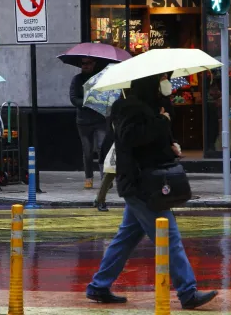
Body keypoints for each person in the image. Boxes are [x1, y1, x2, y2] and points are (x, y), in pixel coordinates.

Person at [86, 75, 217, 310]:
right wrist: (161, 121)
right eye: (162, 81)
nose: (165, 84)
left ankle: (99, 286)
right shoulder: (128, 107)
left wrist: (170, 144)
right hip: (141, 184)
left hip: (147, 182)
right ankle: (188, 292)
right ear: (150, 84)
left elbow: (152, 142)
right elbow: (131, 138)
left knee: (125, 238)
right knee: (169, 236)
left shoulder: (149, 107)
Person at [70, 57, 107, 189]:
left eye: (87, 63)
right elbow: (74, 99)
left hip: (100, 119)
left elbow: (104, 96)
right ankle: (88, 178)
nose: (84, 66)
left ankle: (105, 179)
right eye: (82, 63)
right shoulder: (77, 79)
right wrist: (87, 102)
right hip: (83, 122)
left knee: (102, 148)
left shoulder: (99, 78)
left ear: (94, 64)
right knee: (87, 151)